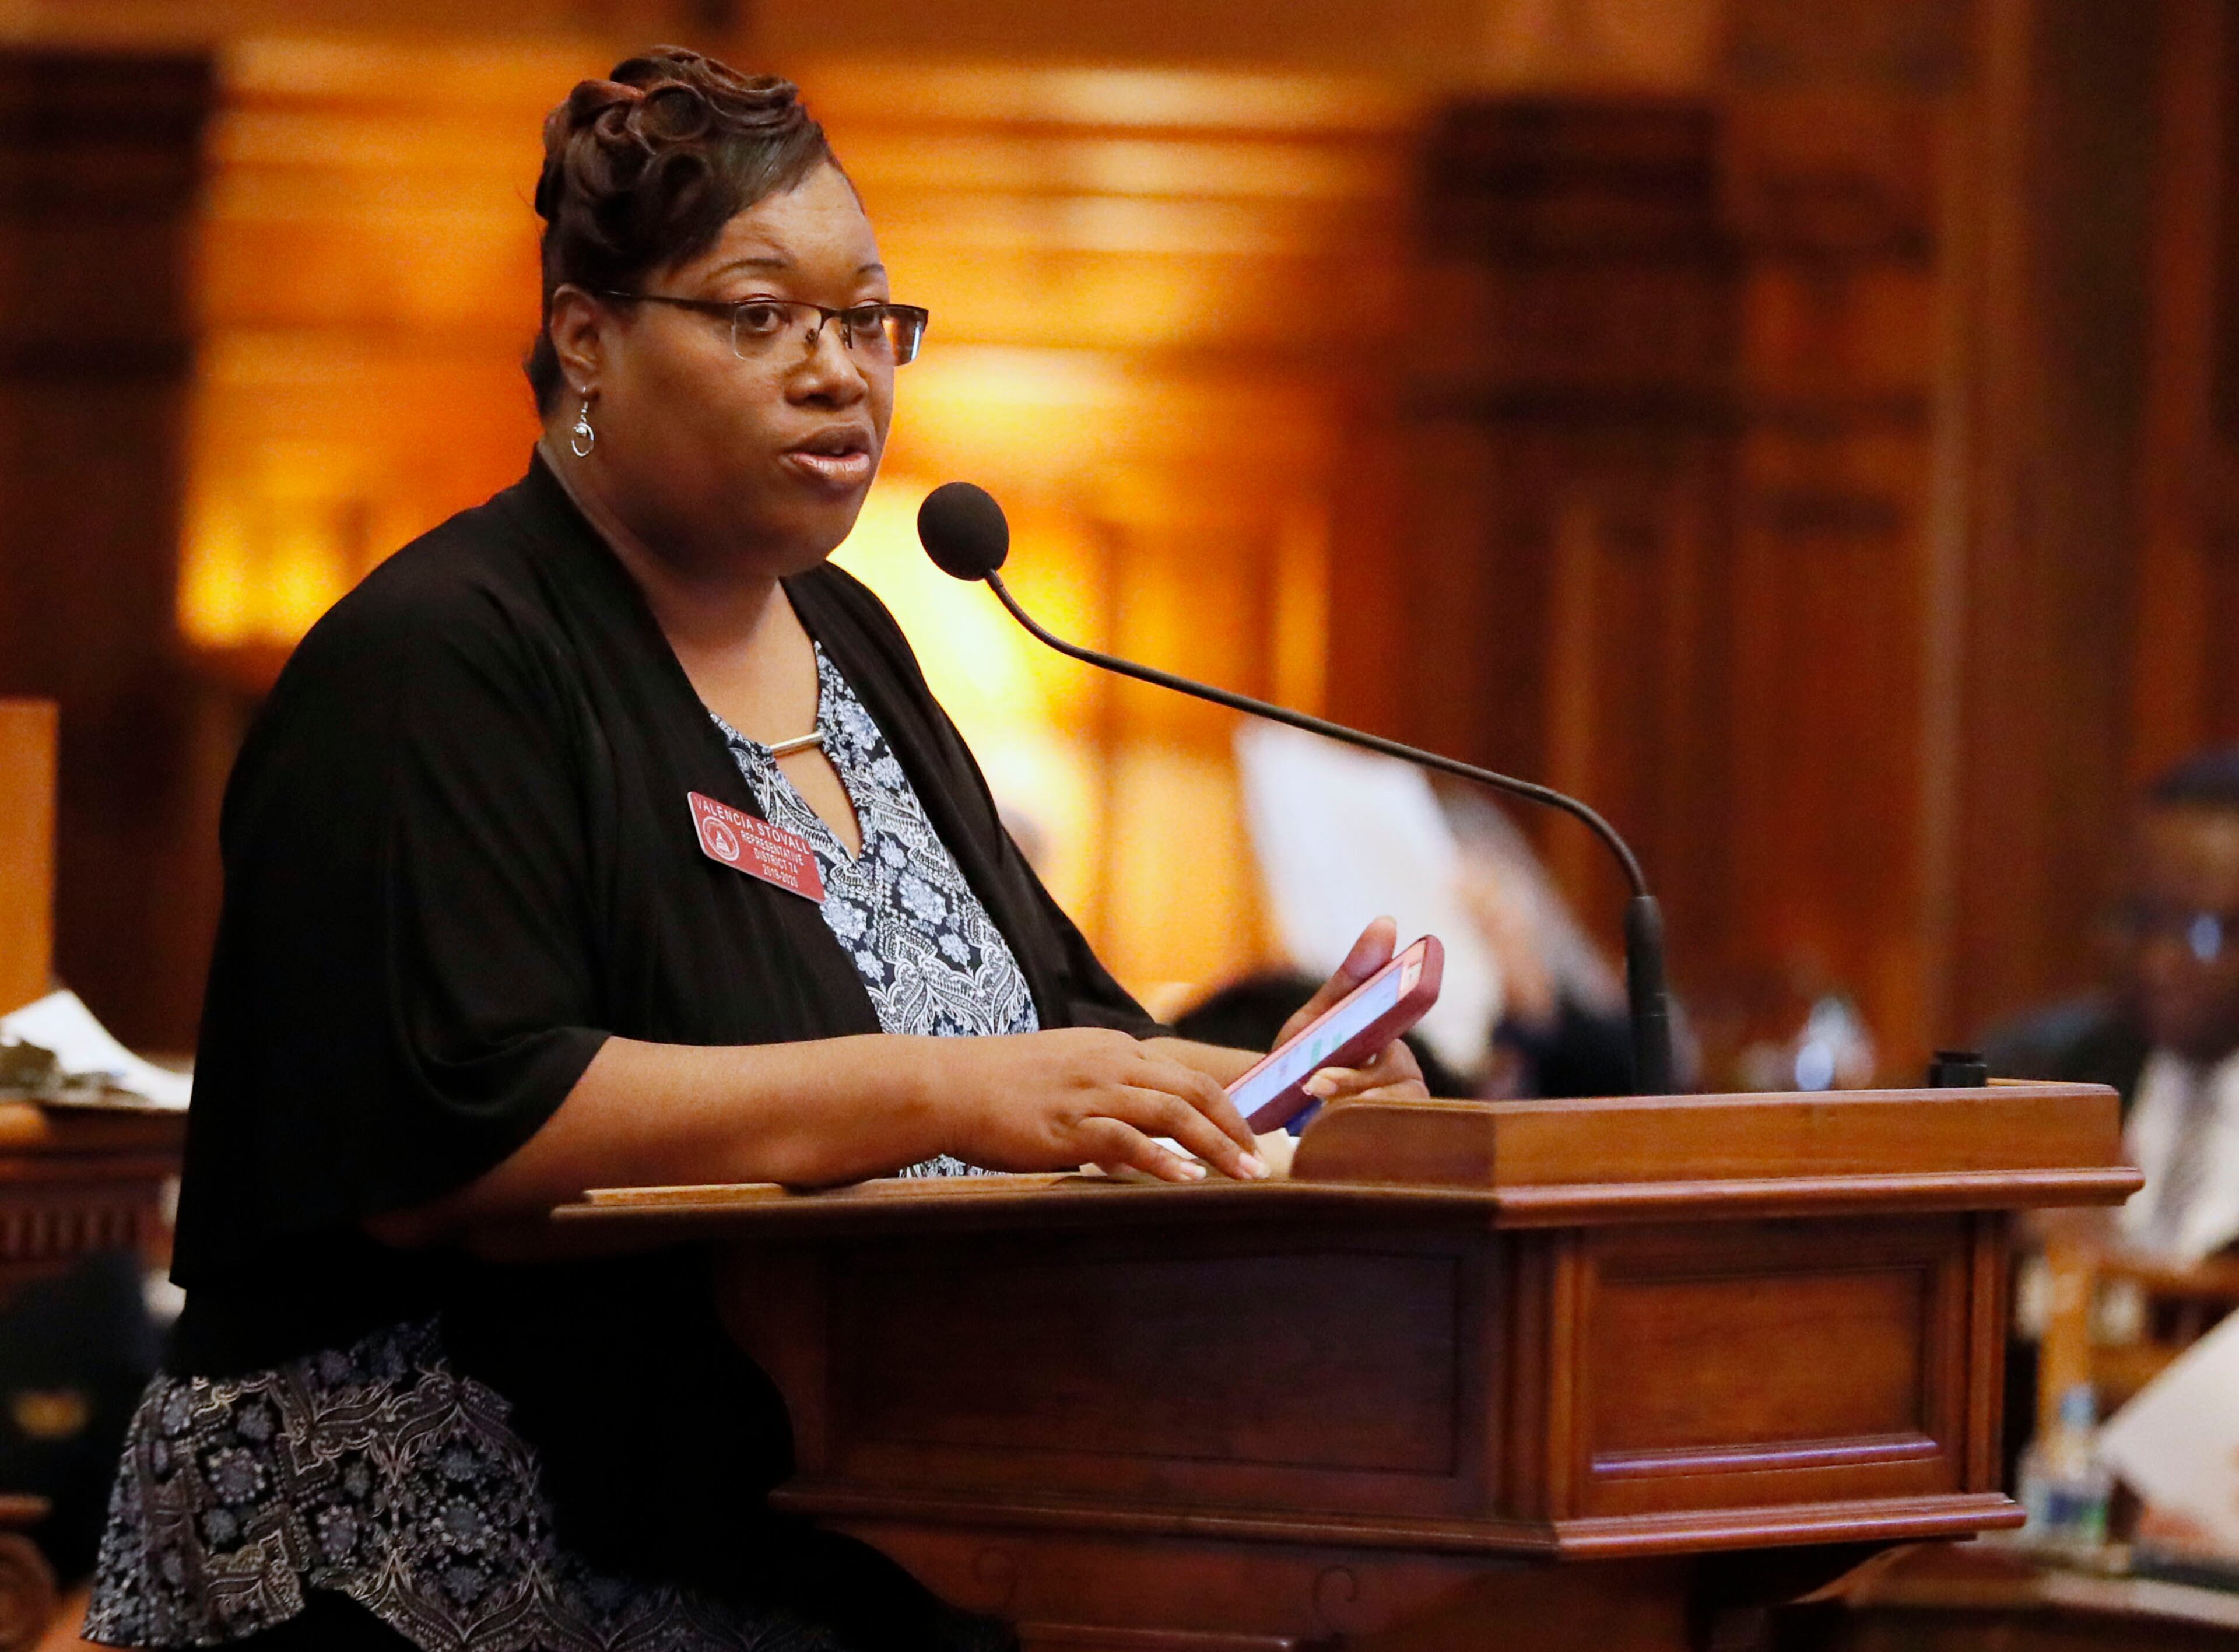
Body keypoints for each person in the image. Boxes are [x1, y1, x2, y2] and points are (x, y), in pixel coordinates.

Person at [82, 50, 1424, 1652]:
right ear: (584, 335)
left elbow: (1048, 1032)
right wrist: (940, 1091)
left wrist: (1254, 1096)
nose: (839, 372)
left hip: (836, 1514)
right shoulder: (439, 659)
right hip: (447, 1557)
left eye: (869, 321)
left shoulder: (855, 639)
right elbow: (459, 1131)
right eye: (760, 315)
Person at [1985, 747, 2239, 1264]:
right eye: (2140, 920)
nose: (2157, 963)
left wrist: (2119, 1266)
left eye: (2201, 932)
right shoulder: (2049, 1070)